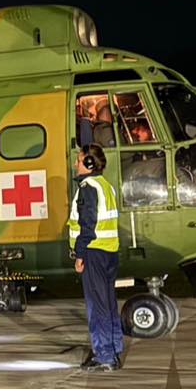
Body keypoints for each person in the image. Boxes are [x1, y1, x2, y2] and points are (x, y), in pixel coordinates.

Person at [69, 143, 123, 371]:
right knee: (108, 304)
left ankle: (104, 356)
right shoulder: (105, 186)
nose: (75, 164)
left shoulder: (88, 187)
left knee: (97, 307)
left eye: (79, 159)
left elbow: (87, 225)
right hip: (109, 252)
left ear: (89, 163)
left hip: (93, 252)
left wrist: (79, 254)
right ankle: (114, 350)